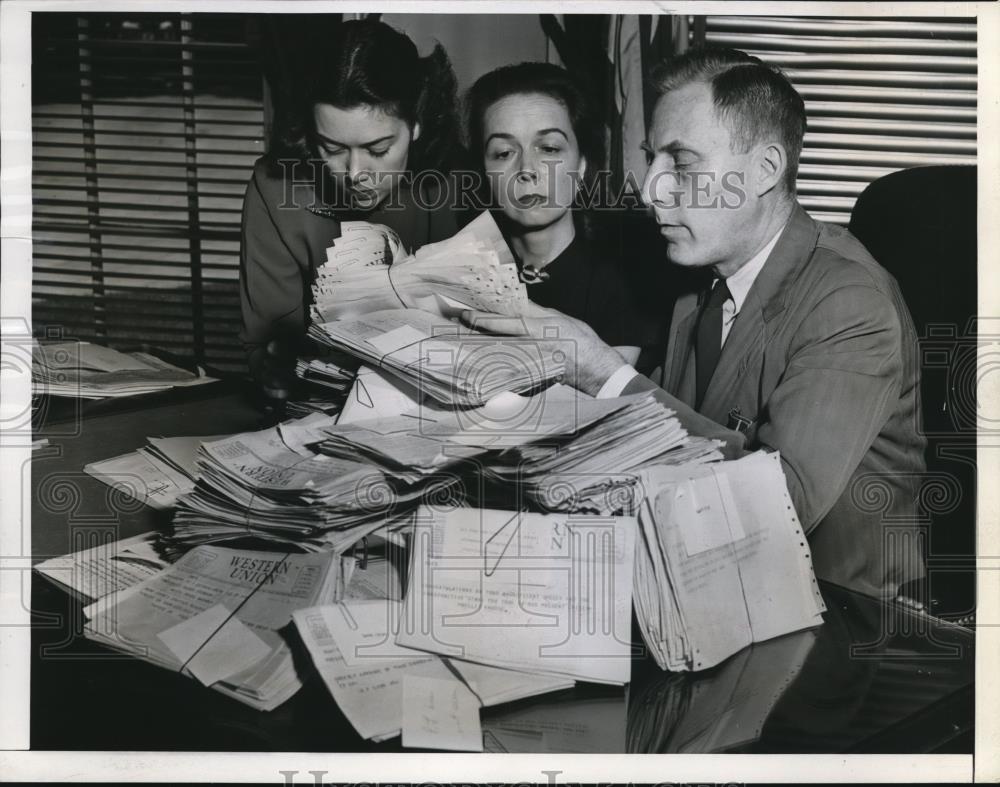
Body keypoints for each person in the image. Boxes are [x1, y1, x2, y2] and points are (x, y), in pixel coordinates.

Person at [463, 47, 926, 599]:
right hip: (713, 586)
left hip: (840, 623)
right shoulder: (699, 282)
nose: (650, 187)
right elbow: (673, 460)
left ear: (765, 170)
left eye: (681, 163)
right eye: (652, 159)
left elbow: (779, 507)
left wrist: (603, 373)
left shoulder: (848, 301)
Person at [240, 19, 465, 399]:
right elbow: (264, 345)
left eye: (378, 150)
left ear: (417, 124)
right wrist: (274, 366)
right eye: (332, 148)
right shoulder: (275, 187)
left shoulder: (462, 182)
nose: (356, 174)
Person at [465, 62, 668, 372]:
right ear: (483, 171)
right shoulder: (463, 271)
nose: (527, 170)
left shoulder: (625, 283)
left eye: (548, 148)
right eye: (504, 153)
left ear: (582, 164)